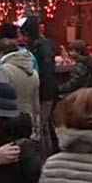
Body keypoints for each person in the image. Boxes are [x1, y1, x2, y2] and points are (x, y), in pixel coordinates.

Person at [20, 16, 58, 155]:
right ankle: (50, 151)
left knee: (40, 125)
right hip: (47, 90)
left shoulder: (41, 47)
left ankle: (42, 154)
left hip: (45, 92)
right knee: (45, 124)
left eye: (25, 35)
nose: (23, 38)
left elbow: (46, 72)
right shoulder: (42, 45)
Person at [0, 39, 41, 140]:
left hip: (9, 122)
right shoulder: (33, 72)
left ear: (1, 52)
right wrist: (37, 128)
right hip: (28, 121)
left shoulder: (4, 70)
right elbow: (36, 104)